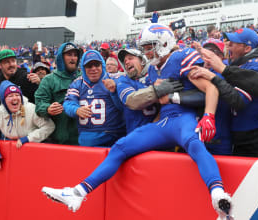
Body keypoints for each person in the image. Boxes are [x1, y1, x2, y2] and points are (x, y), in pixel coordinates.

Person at [41, 23, 233, 219]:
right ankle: (77, 193)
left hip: (184, 118)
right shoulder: (152, 72)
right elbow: (144, 101)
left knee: (194, 143)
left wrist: (208, 116)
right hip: (164, 122)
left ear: (164, 42)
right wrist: (156, 102)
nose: (147, 52)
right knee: (121, 147)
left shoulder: (179, 57)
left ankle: (217, 194)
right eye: (145, 48)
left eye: (149, 47)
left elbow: (210, 88)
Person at [221, 28, 258, 157]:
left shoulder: (257, 65)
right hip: (239, 130)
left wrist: (214, 78)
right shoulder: (238, 63)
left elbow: (238, 100)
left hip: (254, 134)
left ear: (247, 49)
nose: (228, 44)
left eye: (233, 42)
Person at [0, 80, 55, 170]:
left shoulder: (31, 109)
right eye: (10, 96)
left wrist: (29, 138)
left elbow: (49, 126)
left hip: (34, 151)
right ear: (3, 100)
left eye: (17, 95)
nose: (15, 98)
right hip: (10, 152)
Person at [63, 50, 126, 147]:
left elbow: (123, 107)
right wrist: (76, 110)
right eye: (89, 66)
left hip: (114, 135)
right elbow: (68, 103)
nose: (93, 69)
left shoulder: (114, 79)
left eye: (96, 65)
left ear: (102, 66)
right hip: (88, 137)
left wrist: (114, 92)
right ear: (83, 68)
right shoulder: (77, 84)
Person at [34, 43, 82, 145]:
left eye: (75, 55)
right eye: (69, 55)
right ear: (61, 57)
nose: (73, 58)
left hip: (82, 140)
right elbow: (39, 104)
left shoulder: (84, 78)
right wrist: (47, 108)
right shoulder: (49, 80)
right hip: (58, 140)